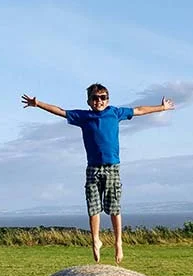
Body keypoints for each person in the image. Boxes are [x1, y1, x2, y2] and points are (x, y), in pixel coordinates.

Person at [21, 84, 174, 264]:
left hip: (112, 168)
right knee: (93, 208)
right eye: (95, 98)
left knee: (114, 208)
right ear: (89, 101)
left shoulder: (115, 112)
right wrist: (38, 104)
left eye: (102, 97)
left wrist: (162, 108)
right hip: (93, 169)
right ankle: (96, 240)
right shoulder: (84, 117)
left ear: (107, 99)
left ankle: (118, 242)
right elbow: (60, 111)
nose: (99, 101)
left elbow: (139, 110)